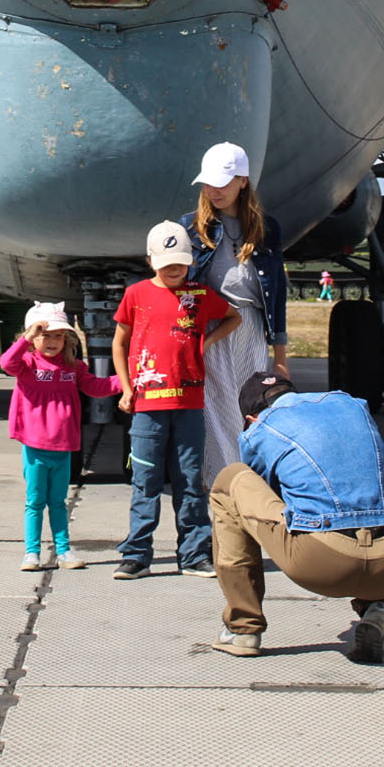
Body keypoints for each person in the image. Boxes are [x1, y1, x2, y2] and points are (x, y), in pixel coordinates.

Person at [209, 376, 384, 662]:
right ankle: (380, 606)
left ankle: (243, 628)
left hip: (323, 562)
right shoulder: (353, 406)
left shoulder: (263, 426)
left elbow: (265, 498)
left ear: (250, 417)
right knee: (362, 498)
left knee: (230, 481)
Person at [111, 219, 238, 580]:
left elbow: (233, 317)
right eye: (167, 265)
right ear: (151, 261)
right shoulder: (136, 295)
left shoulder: (198, 295)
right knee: (145, 481)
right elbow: (120, 342)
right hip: (147, 407)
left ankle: (195, 554)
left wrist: (207, 343)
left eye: (181, 264)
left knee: (190, 479)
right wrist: (126, 387)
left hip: (189, 405)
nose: (174, 270)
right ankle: (137, 554)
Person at [179, 142, 290, 480]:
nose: (213, 190)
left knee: (250, 409)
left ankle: (249, 484)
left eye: (222, 182)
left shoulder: (266, 229)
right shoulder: (191, 226)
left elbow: (277, 296)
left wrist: (281, 356)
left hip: (250, 327)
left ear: (243, 181)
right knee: (212, 412)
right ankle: (219, 488)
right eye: (208, 183)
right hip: (211, 328)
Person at [0, 302, 118, 571]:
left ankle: (64, 551)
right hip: (35, 447)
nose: (53, 341)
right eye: (45, 334)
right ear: (32, 337)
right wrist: (28, 337)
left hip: (64, 446)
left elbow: (96, 387)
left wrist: (126, 380)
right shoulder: (27, 363)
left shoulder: (72, 367)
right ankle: (32, 553)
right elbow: (7, 363)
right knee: (35, 501)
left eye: (59, 335)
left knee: (58, 502)